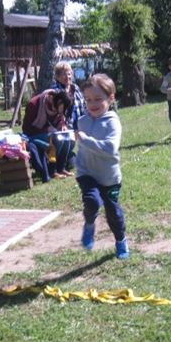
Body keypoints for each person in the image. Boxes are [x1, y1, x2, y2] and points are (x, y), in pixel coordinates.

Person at [75, 74, 129, 259]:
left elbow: (110, 148)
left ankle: (121, 240)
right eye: (88, 99)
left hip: (109, 177)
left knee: (113, 212)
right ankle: (89, 224)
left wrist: (85, 140)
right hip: (86, 173)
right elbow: (81, 147)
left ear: (110, 98)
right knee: (91, 201)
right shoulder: (82, 121)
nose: (93, 104)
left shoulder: (113, 122)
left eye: (98, 99)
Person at [22, 89, 74, 181]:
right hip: (32, 135)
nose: (58, 112)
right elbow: (27, 128)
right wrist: (46, 129)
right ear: (57, 101)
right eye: (59, 109)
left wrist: (63, 125)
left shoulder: (58, 105)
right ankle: (52, 170)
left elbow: (61, 119)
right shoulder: (34, 104)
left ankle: (61, 168)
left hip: (49, 133)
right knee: (56, 140)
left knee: (66, 138)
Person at [50, 61, 86, 130]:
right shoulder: (55, 91)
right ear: (57, 77)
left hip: (80, 126)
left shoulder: (76, 87)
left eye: (69, 74)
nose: (67, 77)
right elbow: (55, 113)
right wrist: (62, 124)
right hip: (66, 128)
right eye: (63, 75)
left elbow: (84, 105)